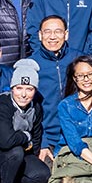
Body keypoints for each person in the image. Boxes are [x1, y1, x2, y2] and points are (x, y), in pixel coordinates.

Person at [0, 59, 52, 183]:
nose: (23, 94)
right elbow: (6, 142)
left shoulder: (36, 107)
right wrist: (25, 136)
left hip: (18, 154)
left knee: (42, 174)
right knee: (15, 151)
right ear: (12, 88)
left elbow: (36, 137)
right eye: (19, 88)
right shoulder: (1, 104)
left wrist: (31, 149)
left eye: (29, 89)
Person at [30, 15, 73, 164]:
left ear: (66, 34)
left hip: (75, 135)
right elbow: (28, 110)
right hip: (47, 137)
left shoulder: (78, 59)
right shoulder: (32, 64)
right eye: (47, 32)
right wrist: (42, 142)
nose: (52, 37)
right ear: (40, 35)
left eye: (58, 32)